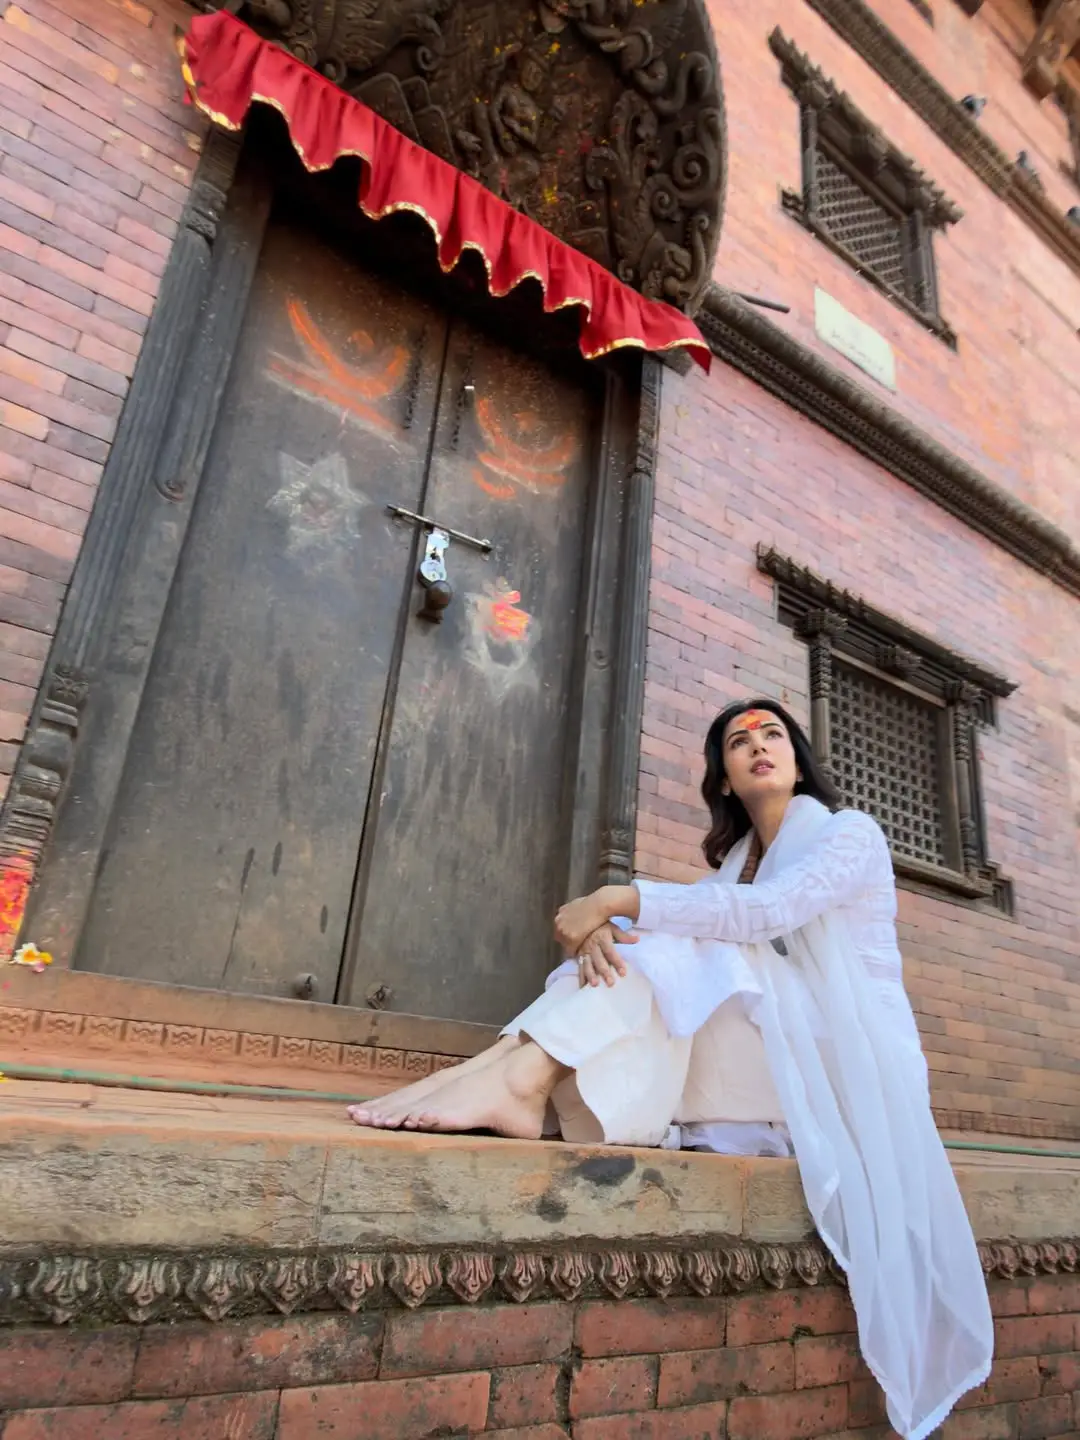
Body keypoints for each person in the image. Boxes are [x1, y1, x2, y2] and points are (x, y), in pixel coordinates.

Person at [348, 698, 993, 1440]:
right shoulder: (732, 861)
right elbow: (708, 916)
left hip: (848, 1073)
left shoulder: (849, 835)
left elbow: (762, 916)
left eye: (773, 734)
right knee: (652, 942)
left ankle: (518, 1083)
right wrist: (605, 933)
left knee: (692, 932)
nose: (758, 746)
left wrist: (618, 898)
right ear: (722, 775)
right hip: (770, 1055)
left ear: (799, 755)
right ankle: (503, 1070)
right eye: (738, 741)